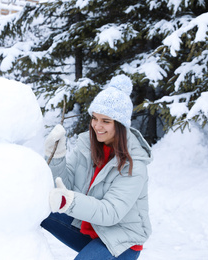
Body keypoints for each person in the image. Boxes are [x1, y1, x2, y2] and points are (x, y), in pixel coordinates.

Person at [42, 75, 152, 259]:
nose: (97, 126)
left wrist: (68, 201)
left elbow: (111, 212)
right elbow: (64, 186)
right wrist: (56, 156)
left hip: (121, 240)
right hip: (87, 227)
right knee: (36, 208)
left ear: (120, 125)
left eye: (106, 121)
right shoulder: (87, 145)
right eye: (95, 118)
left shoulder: (135, 163)